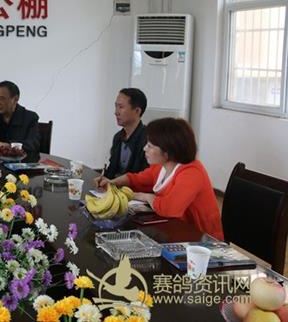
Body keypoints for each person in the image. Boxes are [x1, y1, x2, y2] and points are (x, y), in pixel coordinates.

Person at [95, 117, 224, 240]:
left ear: (167, 152)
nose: (144, 149)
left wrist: (145, 196)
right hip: (175, 230)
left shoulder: (192, 173)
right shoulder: (162, 166)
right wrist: (111, 182)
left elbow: (169, 208)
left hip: (202, 241)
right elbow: (136, 179)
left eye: (150, 146)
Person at [105, 88, 149, 179]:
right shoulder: (118, 137)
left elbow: (146, 177)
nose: (116, 112)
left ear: (137, 111)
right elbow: (111, 170)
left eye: (121, 107)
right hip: (115, 186)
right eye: (116, 106)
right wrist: (103, 180)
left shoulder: (149, 140)